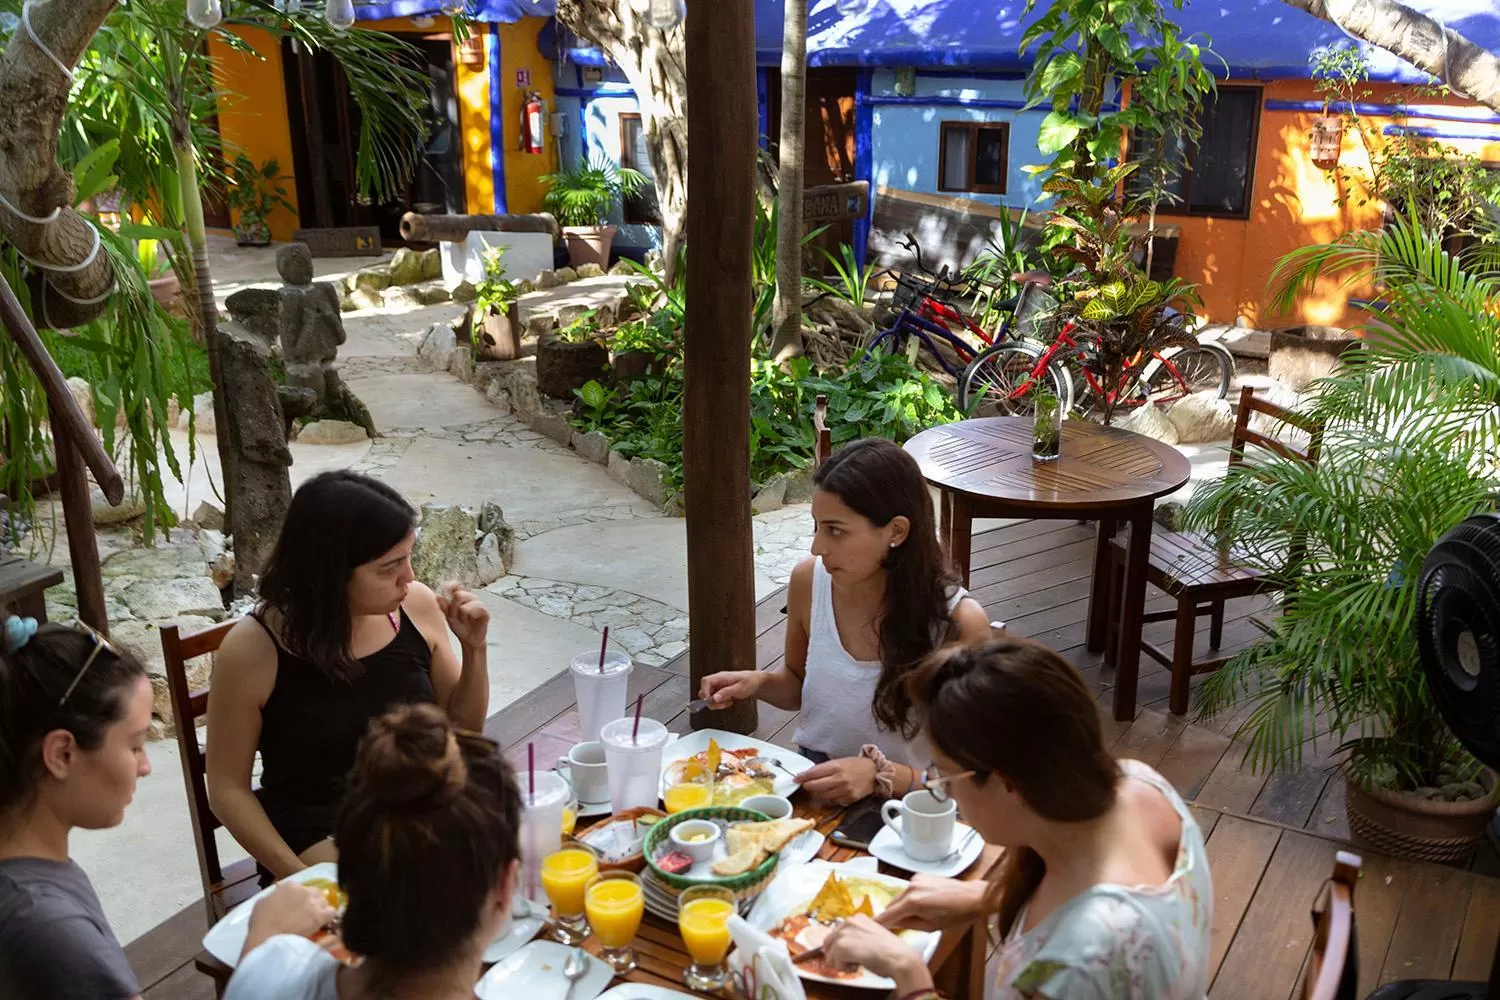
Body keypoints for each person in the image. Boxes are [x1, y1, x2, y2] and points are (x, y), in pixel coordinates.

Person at [819, 638, 1213, 1000]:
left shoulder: (1082, 958)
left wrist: (907, 973)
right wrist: (990, 898)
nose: (944, 793)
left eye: (945, 778)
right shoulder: (1138, 783)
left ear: (1008, 784)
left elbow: (1097, 946)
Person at [0, 617, 335, 1000]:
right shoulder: (51, 931)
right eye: (135, 744)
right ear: (62, 753)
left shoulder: (34, 880)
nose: (146, 766)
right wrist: (264, 946)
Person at [206, 471, 493, 884]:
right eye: (389, 567)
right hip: (323, 835)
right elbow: (226, 788)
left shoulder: (415, 606)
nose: (408, 578)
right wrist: (299, 878)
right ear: (331, 573)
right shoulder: (253, 649)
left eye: (409, 558)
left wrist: (475, 649)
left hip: (416, 807)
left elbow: (462, 732)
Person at [699, 438, 991, 804]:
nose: (817, 547)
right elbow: (797, 685)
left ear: (897, 532)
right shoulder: (809, 580)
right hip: (811, 785)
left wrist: (879, 774)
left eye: (835, 530)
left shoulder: (959, 624)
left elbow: (969, 780)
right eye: (816, 527)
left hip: (910, 809)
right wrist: (756, 683)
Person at [226, 702, 523, 999]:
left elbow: (257, 980)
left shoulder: (262, 976)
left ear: (347, 865)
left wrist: (263, 940)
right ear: (506, 886)